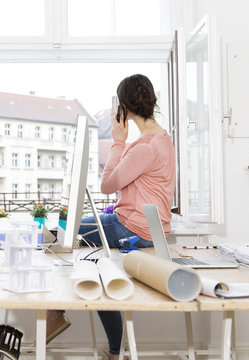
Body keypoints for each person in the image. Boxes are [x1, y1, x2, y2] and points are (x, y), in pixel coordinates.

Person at [47, 74, 176, 360]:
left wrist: (118, 141)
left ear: (125, 109)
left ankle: (55, 313)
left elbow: (107, 186)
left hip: (132, 227)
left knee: (61, 233)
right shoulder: (162, 139)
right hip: (144, 225)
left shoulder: (144, 147)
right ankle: (112, 351)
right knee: (95, 262)